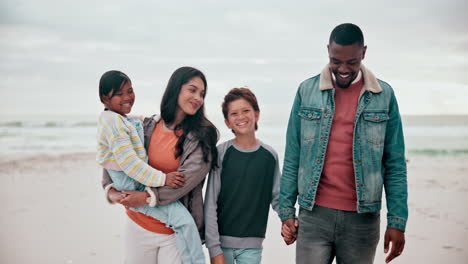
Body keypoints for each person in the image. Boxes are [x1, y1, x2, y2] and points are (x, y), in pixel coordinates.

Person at [279, 23, 408, 264]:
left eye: (352, 62)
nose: (343, 69)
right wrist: (286, 210)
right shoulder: (307, 91)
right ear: (328, 50)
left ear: (364, 53)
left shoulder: (384, 96)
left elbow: (395, 164)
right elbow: (293, 155)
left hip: (362, 220)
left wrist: (397, 221)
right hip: (314, 215)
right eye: (336, 61)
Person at [101, 67, 218, 264]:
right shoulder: (145, 126)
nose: (198, 97)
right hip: (137, 224)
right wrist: (110, 190)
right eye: (192, 90)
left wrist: (146, 197)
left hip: (174, 232)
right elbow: (118, 155)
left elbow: (184, 181)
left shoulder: (203, 137)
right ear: (176, 89)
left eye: (202, 94)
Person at [204, 88, 280, 264]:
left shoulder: (270, 155)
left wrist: (289, 220)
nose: (241, 117)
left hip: (253, 245)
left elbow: (277, 197)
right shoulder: (221, 153)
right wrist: (214, 248)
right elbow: (210, 203)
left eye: (246, 111)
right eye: (234, 113)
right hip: (221, 244)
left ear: (257, 114)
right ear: (227, 122)